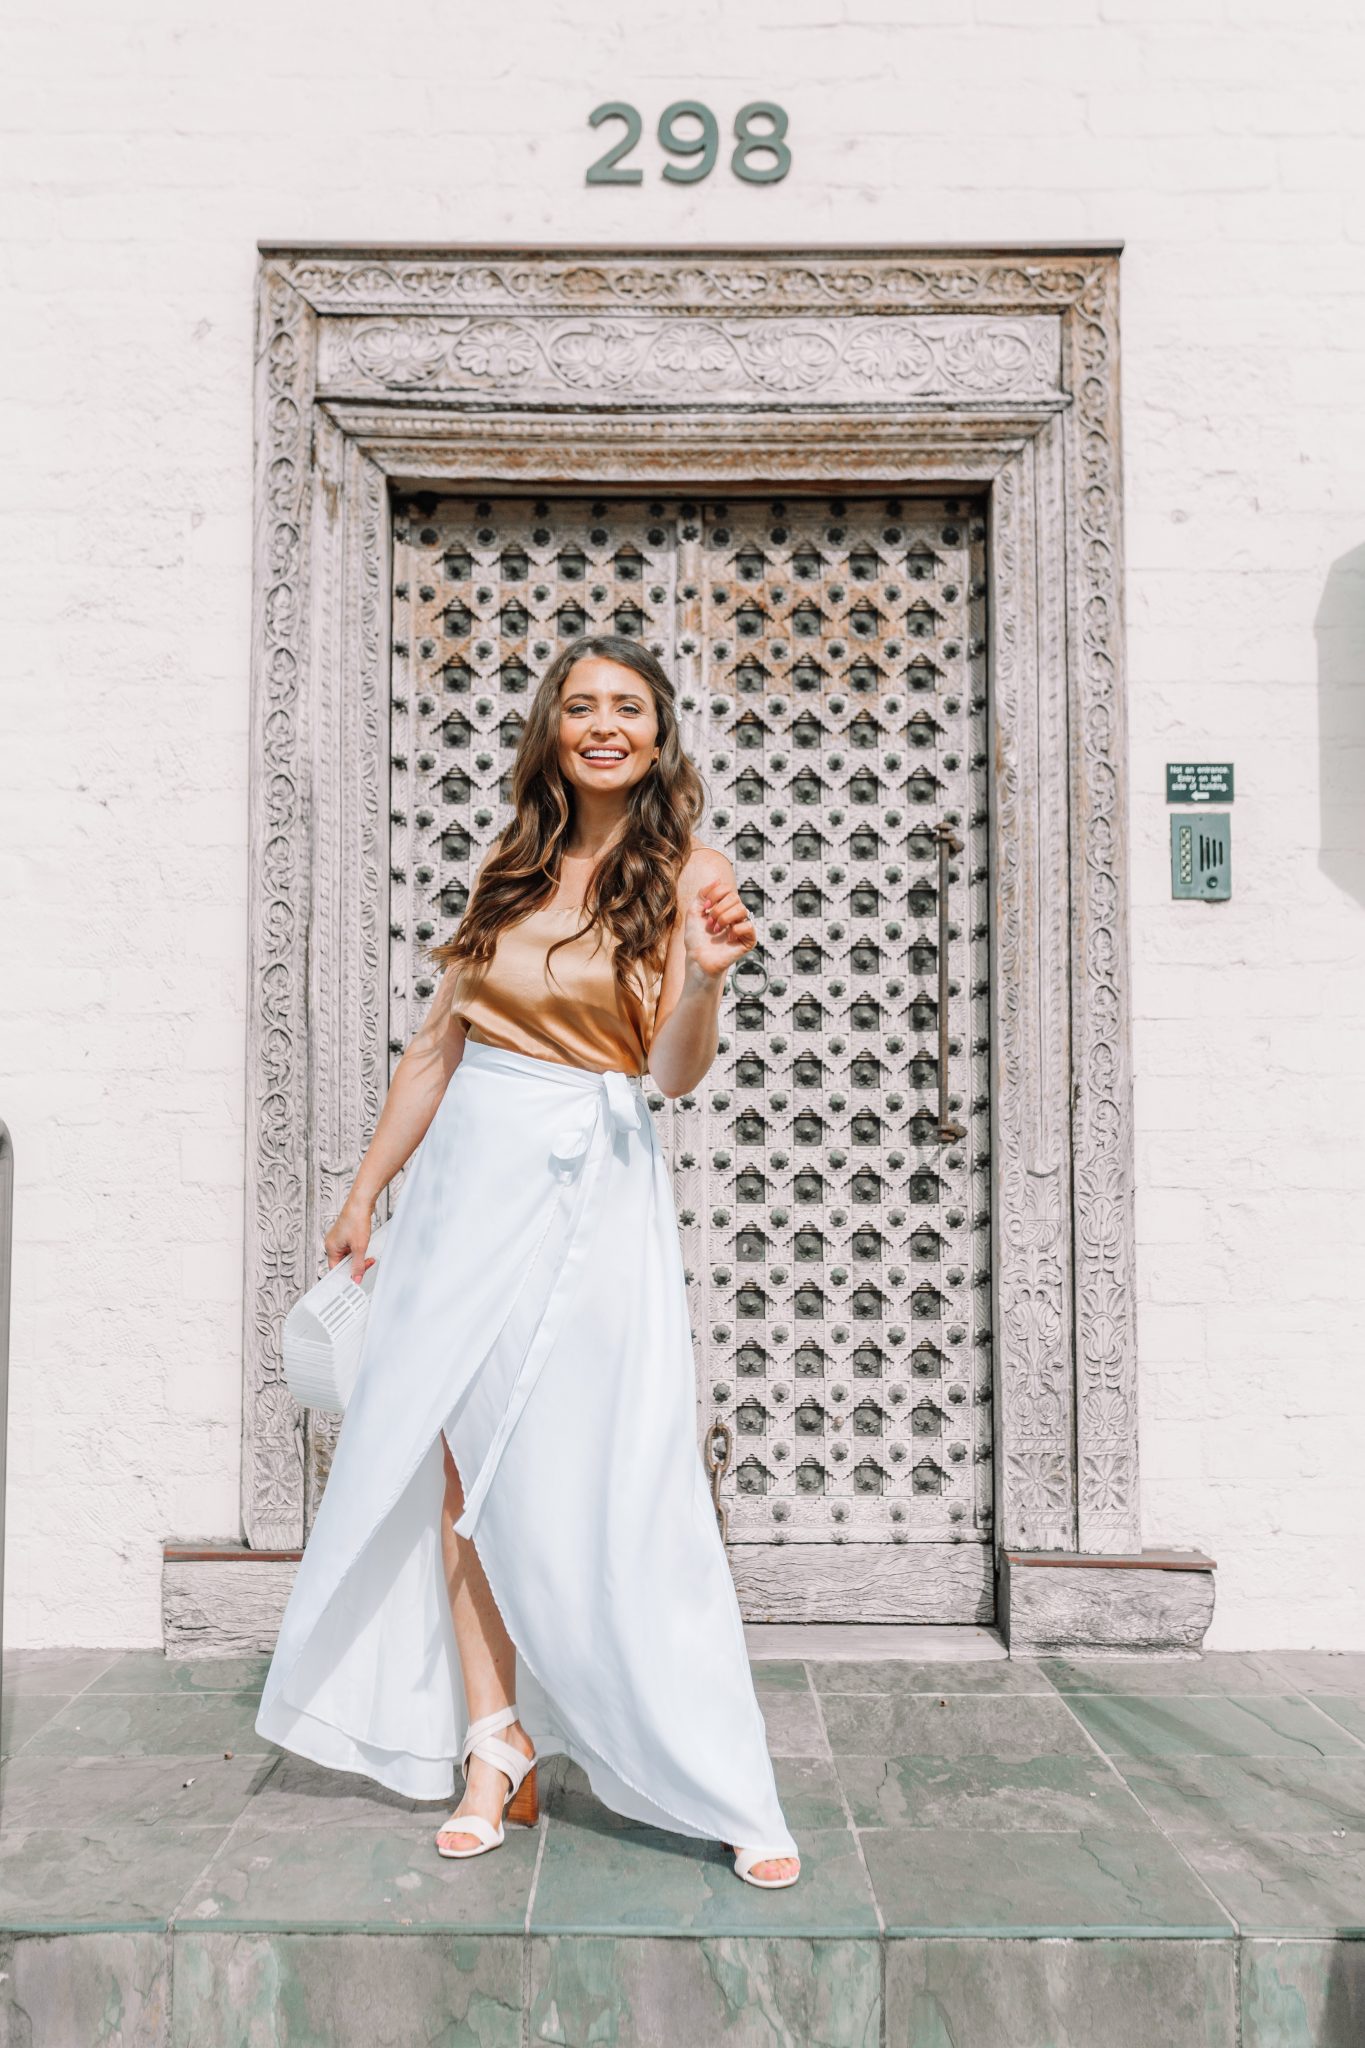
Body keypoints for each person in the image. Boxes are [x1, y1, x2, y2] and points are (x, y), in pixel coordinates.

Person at [254, 633, 801, 1890]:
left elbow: (668, 1072)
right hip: (462, 1184)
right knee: (457, 1464)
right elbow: (439, 1045)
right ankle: (494, 1745)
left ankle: (712, 1765)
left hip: (589, 1179)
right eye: (580, 705)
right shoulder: (512, 861)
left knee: (625, 1470)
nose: (603, 724)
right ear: (553, 728)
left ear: (660, 734)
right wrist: (364, 1186)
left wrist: (704, 980)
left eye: (629, 707)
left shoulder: (687, 870)